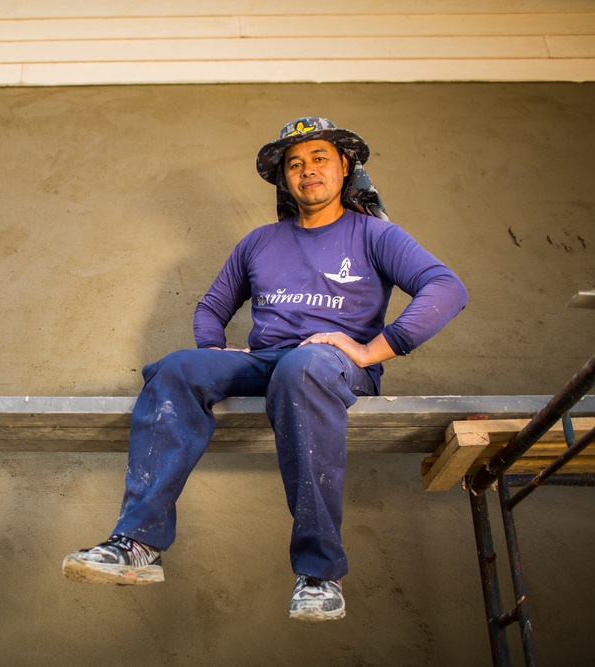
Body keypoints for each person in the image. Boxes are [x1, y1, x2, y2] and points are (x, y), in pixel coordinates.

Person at [61, 116, 468, 622]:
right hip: (269, 363)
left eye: (319, 158)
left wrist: (370, 352)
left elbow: (447, 288)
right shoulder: (259, 242)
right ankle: (138, 543)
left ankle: (320, 573)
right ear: (283, 179)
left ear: (345, 166)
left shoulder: (375, 235)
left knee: (303, 365)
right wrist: (215, 350)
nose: (307, 170)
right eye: (294, 164)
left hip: (331, 366)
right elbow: (211, 307)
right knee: (176, 368)